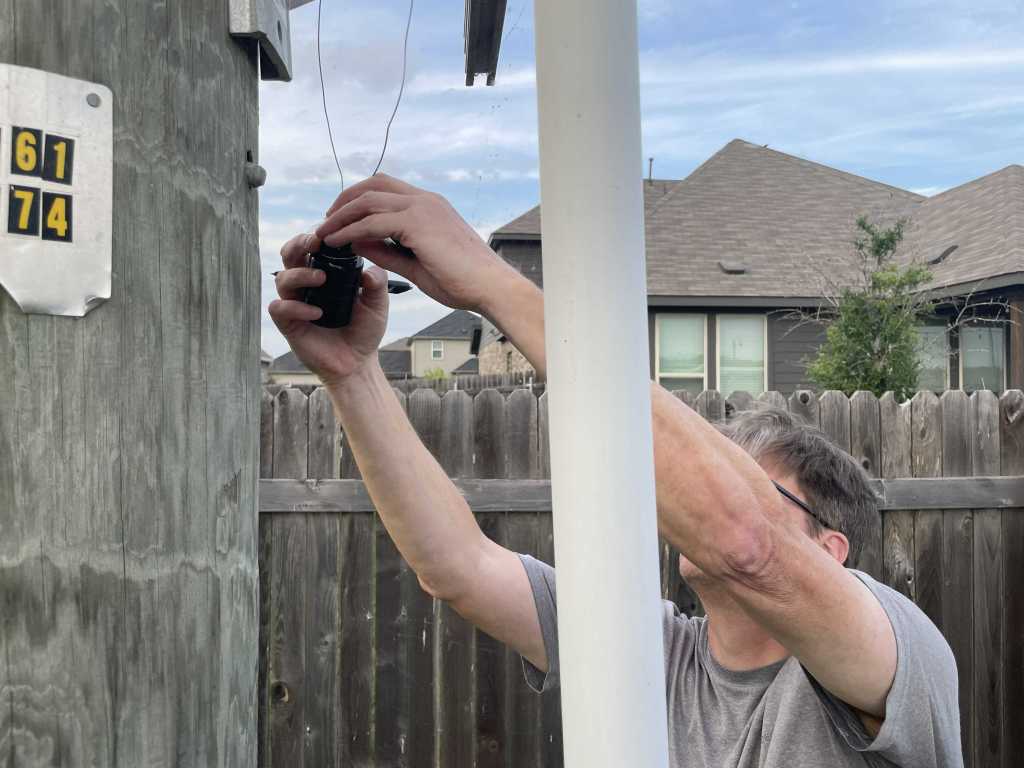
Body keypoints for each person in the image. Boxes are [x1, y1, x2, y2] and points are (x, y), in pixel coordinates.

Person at [268, 174, 962, 768]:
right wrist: (353, 374)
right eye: (721, 475)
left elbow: (749, 543)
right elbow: (458, 566)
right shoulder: (649, 647)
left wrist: (488, 281)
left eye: (753, 483)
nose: (704, 496)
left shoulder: (900, 657)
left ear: (829, 548)